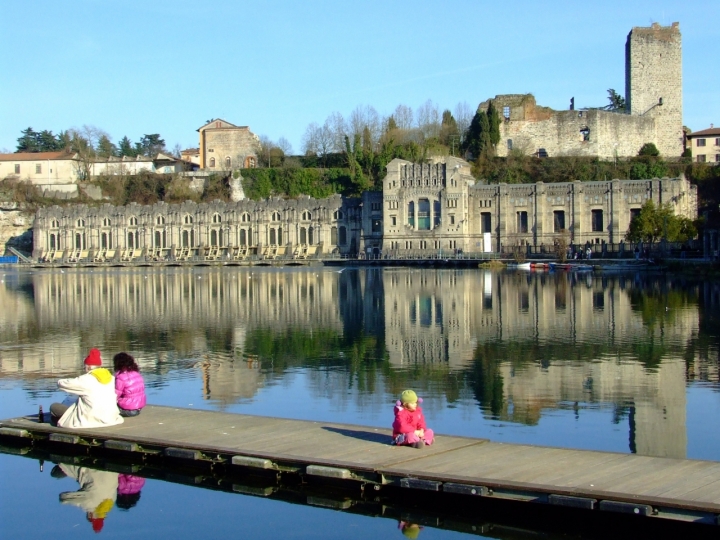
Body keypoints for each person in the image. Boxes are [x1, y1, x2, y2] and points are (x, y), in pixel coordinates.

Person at [50, 348, 123, 428]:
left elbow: (63, 384)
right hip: (110, 418)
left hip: (90, 420)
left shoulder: (85, 379)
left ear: (88, 367)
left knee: (54, 407)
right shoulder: (111, 378)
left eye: (84, 367)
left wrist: (59, 380)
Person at [113, 352, 147, 417]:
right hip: (139, 407)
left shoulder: (121, 377)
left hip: (128, 410)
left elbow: (115, 395)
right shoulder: (137, 374)